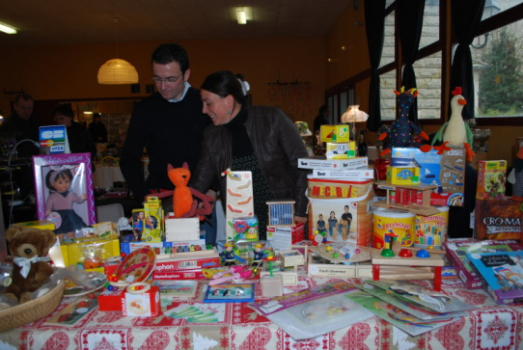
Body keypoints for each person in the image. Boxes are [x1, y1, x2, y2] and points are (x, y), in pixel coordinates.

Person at [190, 70, 309, 240]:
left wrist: (300, 212)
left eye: (208, 103)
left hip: (283, 218)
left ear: (229, 101)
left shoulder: (272, 119)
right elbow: (199, 181)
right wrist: (174, 208)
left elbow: (302, 166)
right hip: (242, 225)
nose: (204, 110)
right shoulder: (212, 136)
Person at [119, 43, 215, 243]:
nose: (164, 86)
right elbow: (129, 157)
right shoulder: (146, 109)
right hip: (158, 199)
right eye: (158, 79)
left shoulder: (204, 104)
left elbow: (219, 153)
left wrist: (211, 189)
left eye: (171, 79)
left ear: (186, 74)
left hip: (199, 199)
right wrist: (144, 196)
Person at [1, 94, 40, 199]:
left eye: (29, 108)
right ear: (15, 106)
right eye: (23, 108)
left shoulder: (35, 121)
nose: (27, 111)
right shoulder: (8, 125)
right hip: (17, 170)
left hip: (35, 166)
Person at [45, 168, 86, 240]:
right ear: (52, 183)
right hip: (58, 216)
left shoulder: (71, 194)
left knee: (71, 233)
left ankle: (71, 246)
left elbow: (78, 200)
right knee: (59, 234)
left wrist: (82, 198)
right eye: (60, 182)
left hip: (70, 215)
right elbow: (49, 205)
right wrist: (48, 211)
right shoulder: (53, 196)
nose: (64, 184)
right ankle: (60, 247)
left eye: (67, 181)